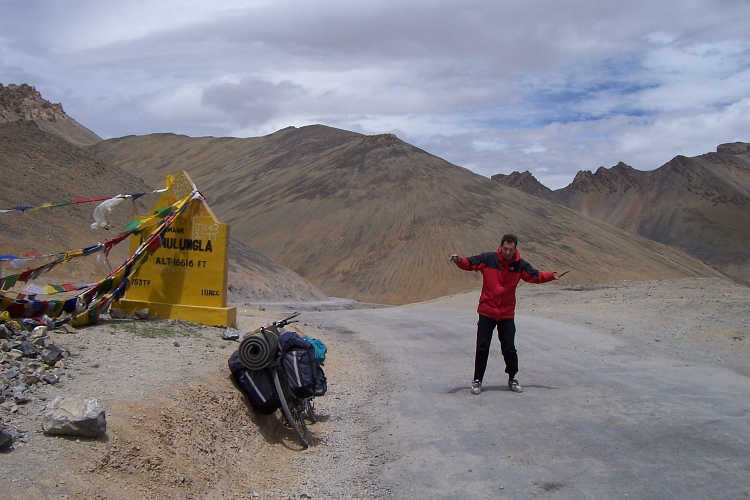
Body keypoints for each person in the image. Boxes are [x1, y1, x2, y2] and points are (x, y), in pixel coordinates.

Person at [450, 234, 568, 395]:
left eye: (510, 250)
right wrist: (459, 260)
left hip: (506, 313)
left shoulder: (520, 265)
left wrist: (551, 276)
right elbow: (470, 263)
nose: (507, 252)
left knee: (509, 348)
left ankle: (513, 378)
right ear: (501, 247)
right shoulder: (488, 259)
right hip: (487, 311)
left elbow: (534, 276)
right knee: (482, 346)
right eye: (505, 248)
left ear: (515, 249)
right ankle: (477, 380)